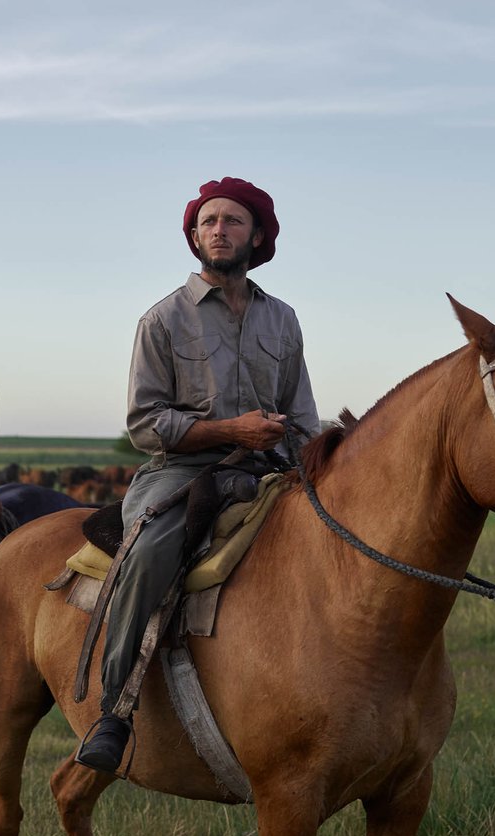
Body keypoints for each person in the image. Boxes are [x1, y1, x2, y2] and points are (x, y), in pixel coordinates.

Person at [76, 177, 321, 772]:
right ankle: (115, 711)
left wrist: (311, 458)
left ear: (257, 236)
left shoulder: (283, 321)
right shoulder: (162, 320)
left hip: (272, 465)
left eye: (232, 221)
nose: (219, 230)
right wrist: (232, 432)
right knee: (151, 547)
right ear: (194, 236)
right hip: (182, 470)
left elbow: (304, 419)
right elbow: (145, 423)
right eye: (208, 222)